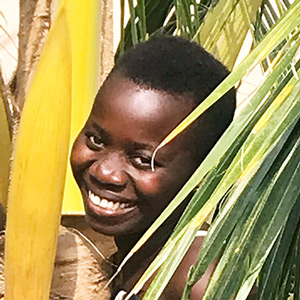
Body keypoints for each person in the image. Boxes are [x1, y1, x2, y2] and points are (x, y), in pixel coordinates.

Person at [70, 35, 236, 299]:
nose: (105, 172)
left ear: (203, 173)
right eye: (96, 140)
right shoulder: (116, 264)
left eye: (142, 161)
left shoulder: (200, 286)